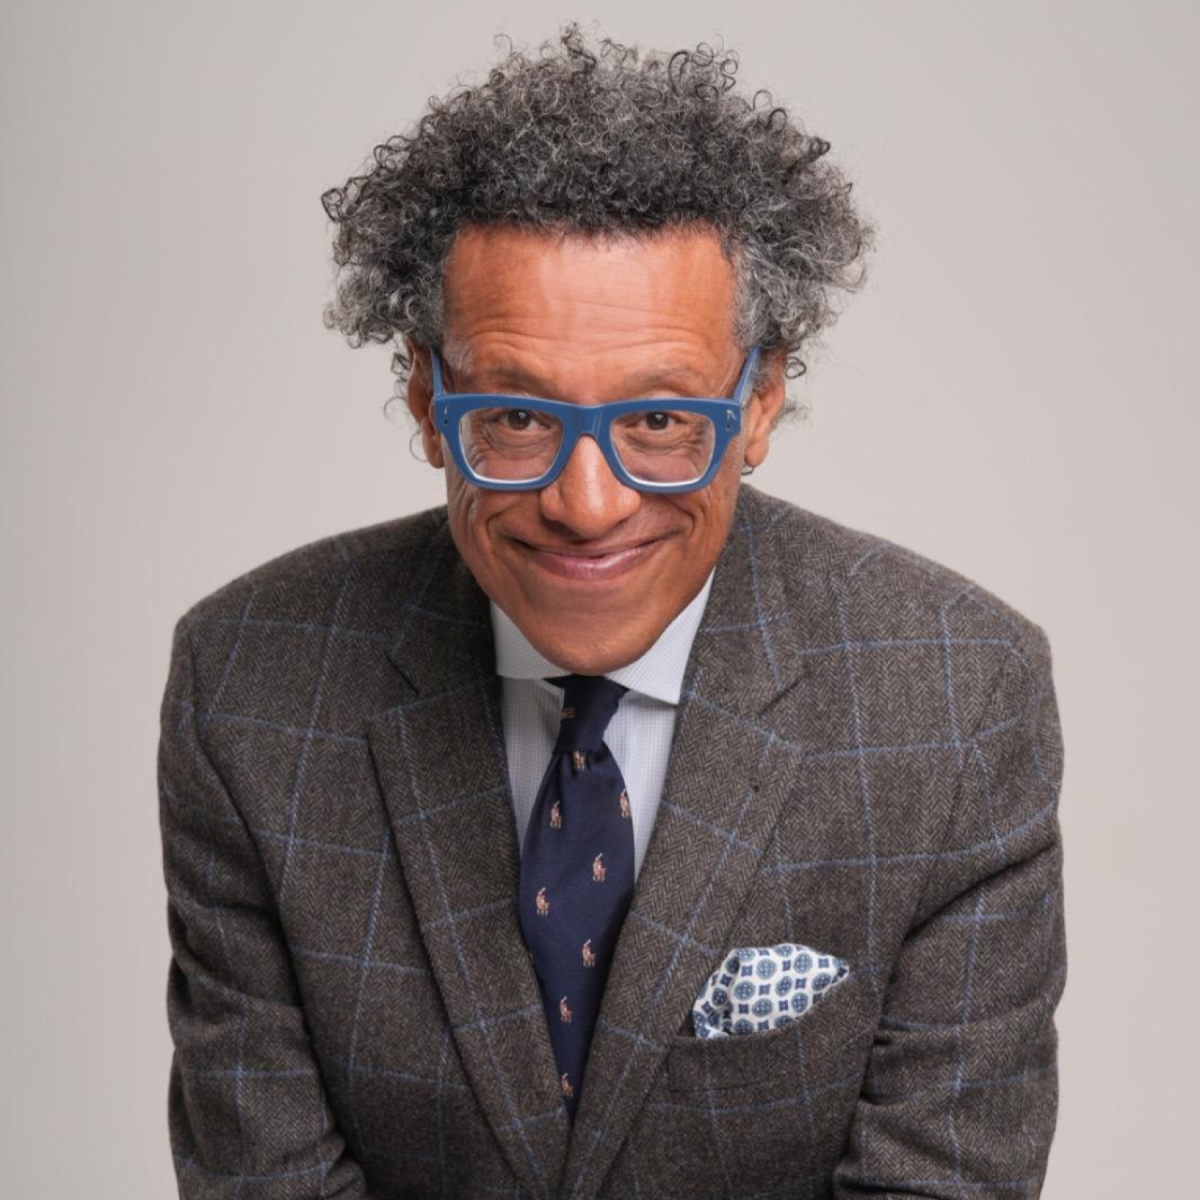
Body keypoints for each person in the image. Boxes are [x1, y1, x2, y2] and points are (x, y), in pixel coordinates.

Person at [157, 25, 1065, 1200]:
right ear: (428, 399)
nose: (588, 506)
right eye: (517, 418)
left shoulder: (955, 694)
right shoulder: (248, 687)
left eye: (660, 421)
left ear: (761, 401)